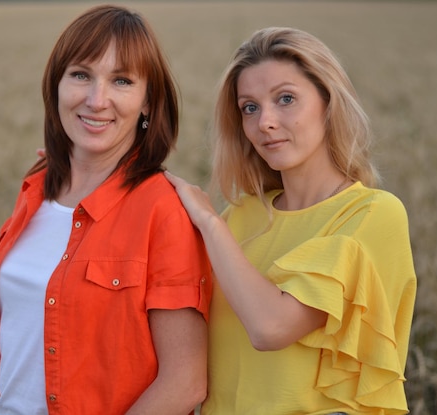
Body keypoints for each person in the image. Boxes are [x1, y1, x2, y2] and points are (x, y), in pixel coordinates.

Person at [165, 27, 417, 414]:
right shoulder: (242, 216)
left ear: (328, 103)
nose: (265, 121)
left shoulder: (371, 215)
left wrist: (209, 222)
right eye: (249, 107)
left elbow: (271, 327)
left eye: (286, 99)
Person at [0, 5, 212, 415]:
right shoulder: (35, 191)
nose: (96, 99)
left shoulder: (163, 211)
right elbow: (16, 344)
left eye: (121, 80)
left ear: (147, 102)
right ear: (56, 85)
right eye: (81, 75)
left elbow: (185, 382)